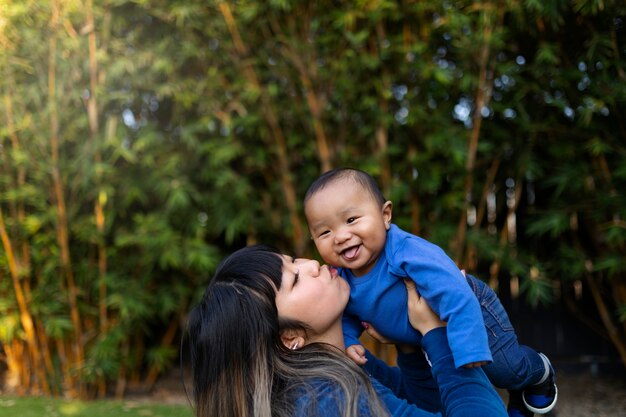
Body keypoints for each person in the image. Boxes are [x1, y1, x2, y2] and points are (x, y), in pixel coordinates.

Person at [303, 167, 558, 417]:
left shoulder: (406, 252)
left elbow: (455, 293)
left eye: (351, 220)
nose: (340, 236)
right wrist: (348, 341)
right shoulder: (341, 279)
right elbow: (346, 316)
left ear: (385, 215)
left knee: (504, 369)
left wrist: (468, 345)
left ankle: (540, 371)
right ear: (314, 240)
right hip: (425, 336)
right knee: (439, 394)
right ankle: (516, 392)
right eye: (325, 231)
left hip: (466, 310)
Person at [186, 245, 507, 417]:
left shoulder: (344, 365)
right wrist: (439, 335)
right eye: (295, 279)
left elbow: (424, 406)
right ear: (288, 337)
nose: (311, 264)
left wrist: (408, 343)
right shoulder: (326, 399)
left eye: (294, 260)